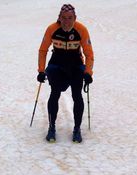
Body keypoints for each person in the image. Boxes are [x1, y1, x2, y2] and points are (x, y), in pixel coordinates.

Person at [37, 4, 94, 143]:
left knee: (77, 95)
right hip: (57, 64)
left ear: (75, 18)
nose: (67, 21)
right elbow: (43, 51)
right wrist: (41, 70)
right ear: (59, 18)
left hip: (75, 65)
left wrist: (88, 72)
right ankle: (51, 128)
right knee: (55, 93)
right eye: (64, 18)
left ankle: (77, 129)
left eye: (70, 18)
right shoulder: (52, 29)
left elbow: (89, 53)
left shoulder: (81, 29)